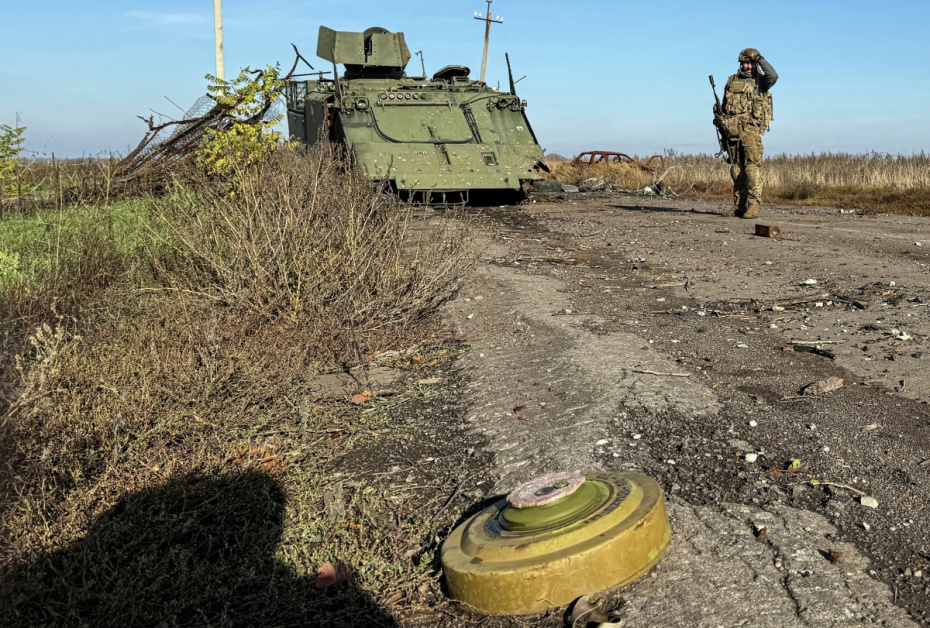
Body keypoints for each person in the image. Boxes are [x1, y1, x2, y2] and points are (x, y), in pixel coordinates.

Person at [719, 48, 777, 218]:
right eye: (746, 62)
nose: (749, 66)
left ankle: (753, 205)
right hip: (732, 131)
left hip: (750, 131)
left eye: (752, 63)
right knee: (736, 169)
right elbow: (725, 107)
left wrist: (760, 58)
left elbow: (773, 76)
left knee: (751, 168)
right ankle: (738, 205)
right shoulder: (732, 81)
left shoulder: (760, 81)